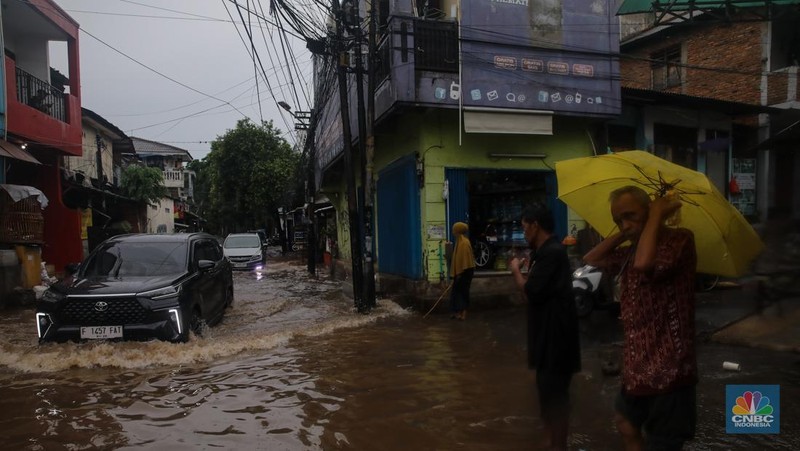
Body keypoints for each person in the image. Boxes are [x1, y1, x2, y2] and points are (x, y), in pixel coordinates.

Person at [583, 185, 697, 451]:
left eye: (630, 216)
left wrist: (656, 216)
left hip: (670, 368)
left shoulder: (678, 241)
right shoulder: (630, 250)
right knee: (625, 422)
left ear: (650, 211)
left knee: (663, 442)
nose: (625, 224)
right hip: (638, 367)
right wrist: (624, 232)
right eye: (618, 220)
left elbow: (645, 264)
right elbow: (591, 258)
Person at [509, 204, 581, 451]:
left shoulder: (552, 252)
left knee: (556, 399)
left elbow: (530, 290)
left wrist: (516, 271)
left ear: (535, 225)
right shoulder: (543, 253)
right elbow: (533, 296)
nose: (523, 233)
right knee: (547, 396)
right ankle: (551, 441)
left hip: (556, 340)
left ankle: (557, 444)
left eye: (524, 227)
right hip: (545, 338)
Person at [449, 222, 475, 320]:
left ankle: (463, 313)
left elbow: (466, 259)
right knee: (456, 292)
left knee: (463, 292)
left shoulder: (465, 242)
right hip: (460, 272)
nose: (453, 232)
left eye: (454, 230)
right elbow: (457, 259)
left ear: (458, 231)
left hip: (466, 271)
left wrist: (461, 273)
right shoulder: (458, 242)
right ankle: (457, 312)